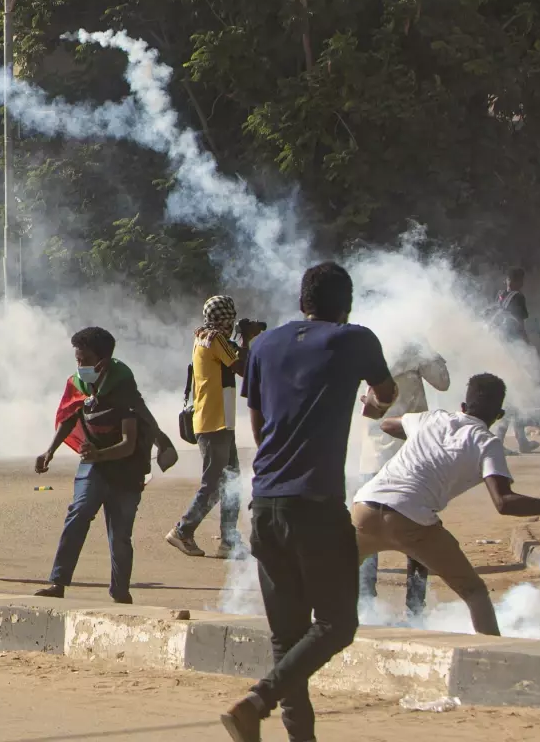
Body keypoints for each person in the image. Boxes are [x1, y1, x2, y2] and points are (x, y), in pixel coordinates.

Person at [220, 263, 398, 742]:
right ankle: (257, 699)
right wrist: (372, 406)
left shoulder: (262, 346)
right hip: (316, 505)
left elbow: (257, 427)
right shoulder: (353, 338)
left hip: (266, 503)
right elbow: (387, 393)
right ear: (347, 304)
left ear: (303, 300)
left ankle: (295, 734)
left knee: (287, 635)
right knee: (337, 624)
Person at [353, 374, 540, 637]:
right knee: (474, 592)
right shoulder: (487, 443)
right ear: (499, 415)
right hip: (411, 522)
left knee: (332, 577)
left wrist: (389, 414)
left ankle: (321, 634)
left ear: (463, 406)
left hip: (364, 508)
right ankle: (491, 656)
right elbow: (505, 502)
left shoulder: (432, 418)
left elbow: (387, 425)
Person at [33, 327, 158, 603]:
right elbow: (70, 415)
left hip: (126, 469)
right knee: (77, 516)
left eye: (84, 360)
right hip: (94, 465)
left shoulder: (123, 387)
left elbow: (128, 443)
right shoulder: (78, 382)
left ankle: (120, 591)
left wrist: (98, 455)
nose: (79, 366)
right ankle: (57, 582)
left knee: (120, 535)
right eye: (76, 359)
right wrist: (50, 450)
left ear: (101, 362)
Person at [354, 343, 450, 616]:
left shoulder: (367, 345)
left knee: (368, 532)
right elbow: (442, 382)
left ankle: (366, 607)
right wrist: (429, 353)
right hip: (411, 458)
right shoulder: (413, 347)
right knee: (418, 531)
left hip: (374, 457)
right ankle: (415, 610)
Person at [167, 296, 259, 559]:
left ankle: (229, 542)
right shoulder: (214, 338)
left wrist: (243, 341)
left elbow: (235, 360)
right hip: (213, 421)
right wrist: (247, 340)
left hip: (219, 420)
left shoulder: (207, 337)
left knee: (230, 481)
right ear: (226, 319)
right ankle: (183, 531)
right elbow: (242, 367)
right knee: (214, 483)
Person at [490, 267, 539, 454]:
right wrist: (527, 348)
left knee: (515, 395)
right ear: (520, 281)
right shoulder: (518, 297)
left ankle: (521, 440)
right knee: (513, 395)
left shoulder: (500, 295)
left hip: (499, 350)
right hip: (514, 351)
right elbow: (520, 325)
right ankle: (500, 440)